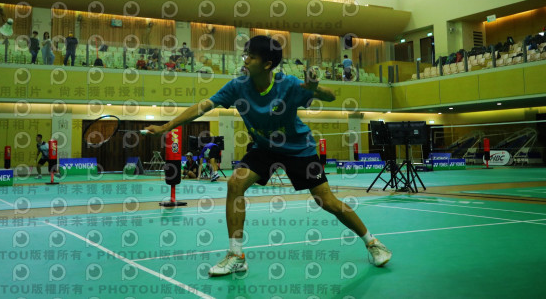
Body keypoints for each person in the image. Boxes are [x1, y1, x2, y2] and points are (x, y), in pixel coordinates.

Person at [145, 35, 391, 277]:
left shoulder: (288, 84)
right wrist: (167, 126)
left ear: (267, 64)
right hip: (264, 148)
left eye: (251, 57)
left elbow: (331, 96)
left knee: (326, 201)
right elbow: (204, 106)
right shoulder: (237, 86)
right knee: (235, 183)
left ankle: (372, 242)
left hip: (298, 148)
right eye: (246, 54)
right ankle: (236, 256)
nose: (245, 60)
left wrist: (314, 88)